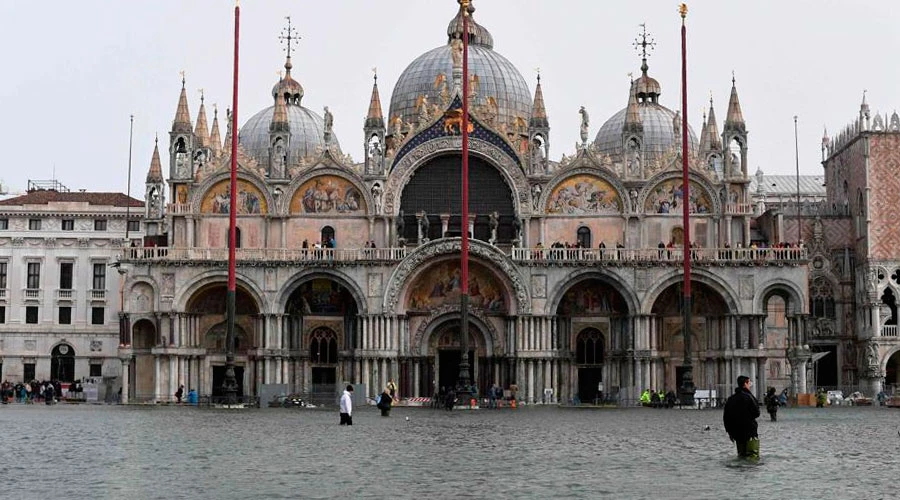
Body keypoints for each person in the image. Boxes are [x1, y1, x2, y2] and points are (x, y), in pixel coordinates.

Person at [723, 375, 760, 461]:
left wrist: (729, 432)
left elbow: (726, 417)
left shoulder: (731, 399)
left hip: (736, 432)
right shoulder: (749, 397)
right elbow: (757, 413)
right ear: (745, 384)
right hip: (750, 431)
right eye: (749, 383)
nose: (750, 385)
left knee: (741, 456)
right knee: (753, 456)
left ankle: (740, 472)